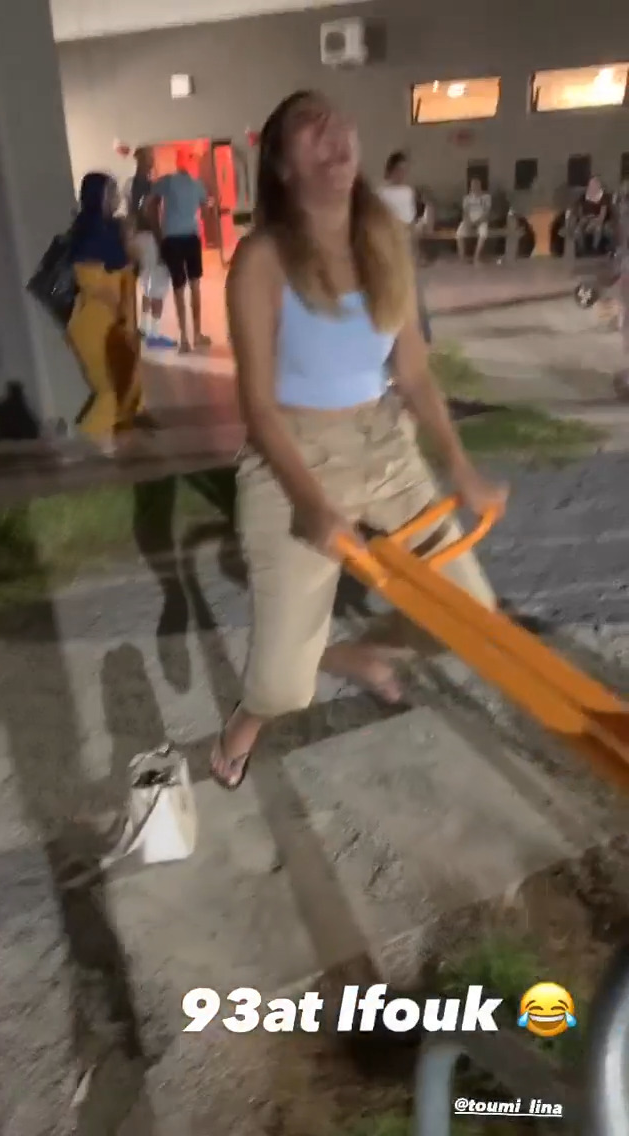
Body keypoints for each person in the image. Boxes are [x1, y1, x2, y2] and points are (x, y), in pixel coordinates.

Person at [211, 90, 507, 790]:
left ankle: (346, 653)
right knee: (282, 688)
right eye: (309, 127)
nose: (333, 132)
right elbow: (256, 405)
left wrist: (459, 466)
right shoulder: (262, 259)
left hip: (384, 448)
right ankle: (244, 727)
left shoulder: (385, 240)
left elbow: (413, 372)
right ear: (282, 165)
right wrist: (313, 505)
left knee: (470, 617)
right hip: (292, 460)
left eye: (338, 121)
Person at [66, 172, 148, 440]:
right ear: (97, 197)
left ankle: (122, 432)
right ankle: (85, 441)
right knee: (110, 389)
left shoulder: (110, 230)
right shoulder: (91, 236)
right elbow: (97, 285)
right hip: (96, 324)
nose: (115, 198)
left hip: (113, 322)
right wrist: (122, 314)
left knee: (126, 382)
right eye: (110, 193)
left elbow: (129, 270)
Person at [151, 150, 212, 354]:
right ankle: (197, 334)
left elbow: (151, 201)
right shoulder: (197, 184)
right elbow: (206, 207)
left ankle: (184, 339)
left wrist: (157, 230)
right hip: (191, 237)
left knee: (178, 287)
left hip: (171, 238)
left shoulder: (167, 181)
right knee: (195, 285)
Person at [377, 150, 432, 344]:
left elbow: (410, 218)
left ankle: (421, 333)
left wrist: (416, 229)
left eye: (405, 170)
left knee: (413, 287)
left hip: (406, 242)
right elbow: (381, 221)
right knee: (392, 288)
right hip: (390, 244)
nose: (402, 174)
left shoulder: (408, 191)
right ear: (391, 170)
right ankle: (392, 332)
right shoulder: (381, 193)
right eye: (399, 169)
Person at [125, 147, 174, 348]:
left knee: (146, 284)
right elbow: (151, 215)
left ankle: (143, 328)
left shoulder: (129, 184)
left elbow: (130, 213)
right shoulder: (152, 188)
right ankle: (154, 334)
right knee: (159, 284)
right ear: (146, 161)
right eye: (151, 157)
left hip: (135, 237)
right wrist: (162, 243)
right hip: (149, 237)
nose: (153, 161)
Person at [574, 176, 613, 256]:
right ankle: (581, 249)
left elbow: (602, 215)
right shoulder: (584, 196)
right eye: (590, 185)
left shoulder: (603, 197)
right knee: (578, 229)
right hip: (586, 218)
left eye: (594, 184)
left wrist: (593, 223)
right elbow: (579, 211)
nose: (592, 186)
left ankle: (594, 249)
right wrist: (583, 219)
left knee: (598, 229)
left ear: (598, 185)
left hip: (597, 218)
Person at [457, 179, 491, 263]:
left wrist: (477, 222)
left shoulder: (486, 197)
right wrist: (468, 222)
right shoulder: (467, 198)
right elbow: (465, 212)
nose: (474, 187)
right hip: (469, 220)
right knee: (459, 234)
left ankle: (476, 257)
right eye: (473, 185)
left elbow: (487, 212)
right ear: (470, 187)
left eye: (476, 185)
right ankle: (462, 257)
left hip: (482, 220)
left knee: (483, 234)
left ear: (480, 186)